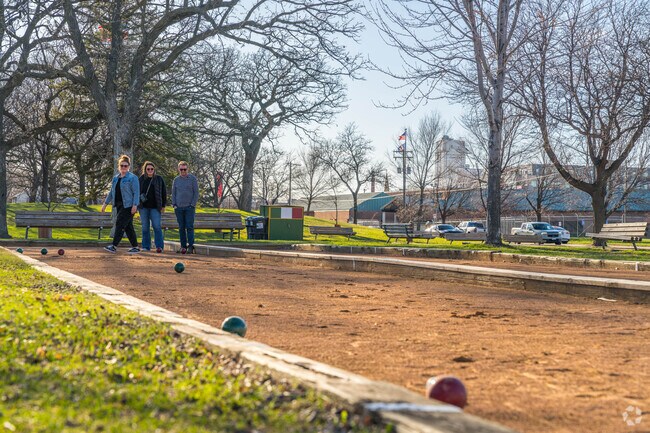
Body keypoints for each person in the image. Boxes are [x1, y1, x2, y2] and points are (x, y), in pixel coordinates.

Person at [101, 155, 140, 254]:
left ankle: (114, 246)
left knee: (119, 223)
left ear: (129, 166)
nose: (123, 167)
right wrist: (105, 204)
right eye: (122, 165)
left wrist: (135, 205)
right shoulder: (115, 178)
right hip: (118, 205)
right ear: (119, 166)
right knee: (128, 226)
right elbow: (111, 192)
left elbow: (136, 192)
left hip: (128, 205)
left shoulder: (132, 178)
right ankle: (135, 247)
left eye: (125, 166)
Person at [138, 161, 167, 252]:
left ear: (154, 170)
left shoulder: (159, 179)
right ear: (145, 170)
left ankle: (159, 247)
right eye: (148, 169)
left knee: (157, 226)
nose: (150, 170)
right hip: (143, 207)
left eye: (152, 169)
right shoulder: (141, 179)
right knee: (145, 227)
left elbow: (164, 192)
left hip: (155, 207)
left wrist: (163, 205)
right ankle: (146, 246)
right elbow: (137, 192)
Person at [171, 161, 199, 253]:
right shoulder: (176, 180)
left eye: (184, 169)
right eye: (181, 169)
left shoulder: (192, 179)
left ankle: (190, 246)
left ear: (188, 169)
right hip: (178, 208)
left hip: (189, 208)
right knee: (181, 227)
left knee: (189, 227)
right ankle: (183, 246)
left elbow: (196, 193)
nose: (183, 171)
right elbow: (174, 193)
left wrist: (192, 205)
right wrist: (174, 204)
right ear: (178, 169)